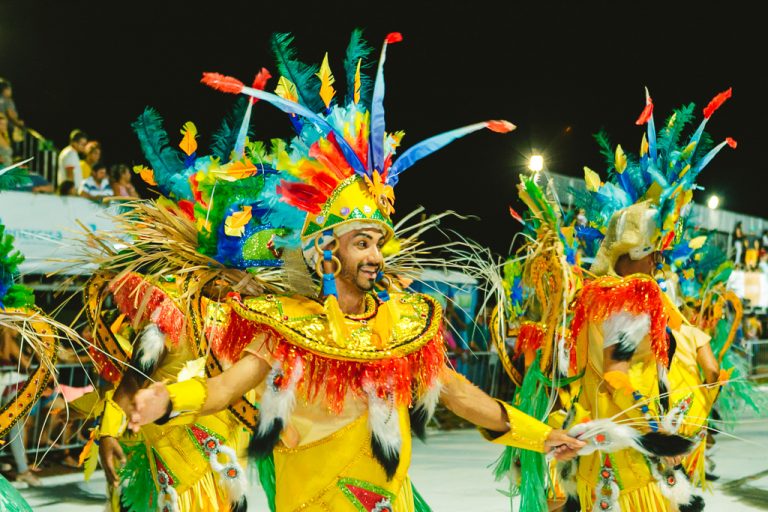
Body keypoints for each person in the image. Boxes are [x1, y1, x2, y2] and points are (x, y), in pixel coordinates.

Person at [124, 31, 583, 512]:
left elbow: (462, 397)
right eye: (361, 243)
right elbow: (223, 388)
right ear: (326, 252)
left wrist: (544, 436)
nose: (376, 257)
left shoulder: (405, 325)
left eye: (378, 244)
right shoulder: (288, 325)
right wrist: (166, 401)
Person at [0, 78, 25, 143]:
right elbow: (10, 115)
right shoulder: (8, 101)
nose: (11, 91)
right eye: (10, 89)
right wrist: (18, 123)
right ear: (5, 90)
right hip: (8, 129)